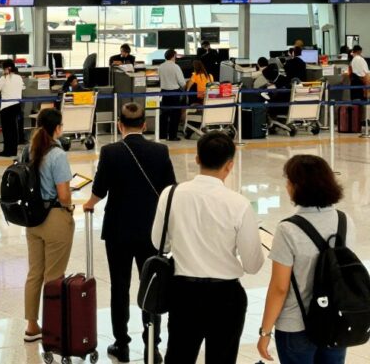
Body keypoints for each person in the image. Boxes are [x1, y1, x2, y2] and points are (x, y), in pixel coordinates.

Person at [151, 132, 264, 364]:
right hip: (226, 297)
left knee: (179, 356)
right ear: (230, 165)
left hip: (184, 293)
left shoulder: (170, 194)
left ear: (197, 159)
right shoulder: (238, 204)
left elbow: (159, 243)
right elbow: (253, 265)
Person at [83, 103, 177, 363]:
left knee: (119, 287)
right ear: (145, 125)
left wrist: (89, 204)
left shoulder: (111, 151)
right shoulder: (160, 151)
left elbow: (100, 189)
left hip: (118, 232)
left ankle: (121, 344)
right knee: (152, 287)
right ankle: (152, 346)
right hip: (151, 232)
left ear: (119, 125)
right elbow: (170, 190)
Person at [257, 155, 350, 364]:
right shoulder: (345, 221)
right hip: (336, 320)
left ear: (298, 186)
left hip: (296, 325)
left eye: (289, 181)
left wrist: (265, 332)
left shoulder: (288, 229)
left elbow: (280, 288)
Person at [21, 108, 74, 343]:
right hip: (54, 217)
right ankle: (54, 328)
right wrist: (70, 207)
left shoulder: (28, 149)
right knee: (54, 275)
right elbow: (63, 194)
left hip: (32, 218)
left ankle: (32, 325)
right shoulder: (58, 154)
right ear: (57, 128)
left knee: (35, 273)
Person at [0, 59, 24, 157]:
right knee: (14, 130)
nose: (2, 70)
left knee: (7, 130)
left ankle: (7, 151)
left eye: (3, 68)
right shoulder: (19, 77)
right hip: (17, 105)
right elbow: (22, 88)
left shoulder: (4, 78)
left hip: (6, 107)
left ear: (7, 68)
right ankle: (13, 151)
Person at [157, 49, 186, 141]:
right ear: (173, 56)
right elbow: (182, 82)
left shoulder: (160, 66)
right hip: (174, 93)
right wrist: (185, 87)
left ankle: (162, 135)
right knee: (175, 115)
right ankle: (172, 136)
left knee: (164, 115)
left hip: (164, 92)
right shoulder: (175, 67)